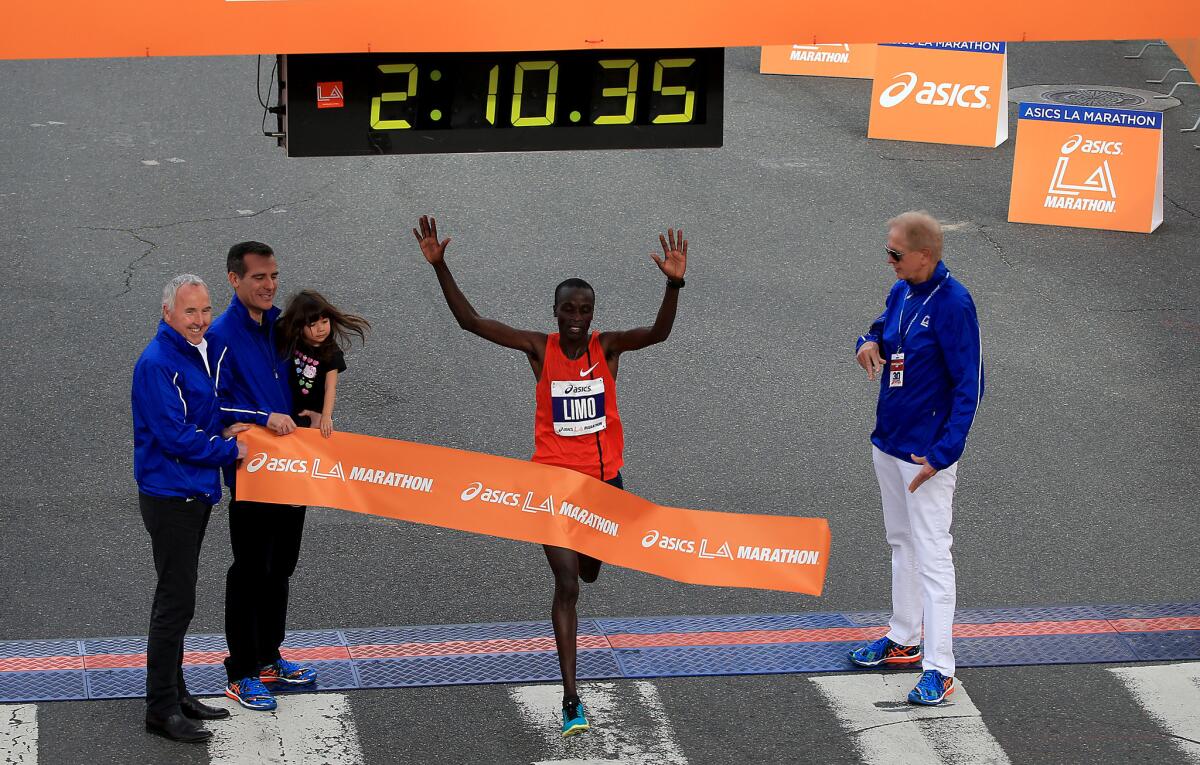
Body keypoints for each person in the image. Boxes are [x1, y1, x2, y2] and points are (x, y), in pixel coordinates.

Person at [413, 215, 688, 736]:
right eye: (568, 309)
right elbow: (472, 322)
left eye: (585, 310)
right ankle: (570, 700)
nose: (576, 319)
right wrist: (440, 265)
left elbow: (660, 332)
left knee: (590, 570)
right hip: (553, 486)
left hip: (605, 487)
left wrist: (673, 284)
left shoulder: (609, 348)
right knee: (568, 585)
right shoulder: (540, 349)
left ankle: (591, 558)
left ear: (593, 314)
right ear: (555, 312)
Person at [847, 211, 984, 706]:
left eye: (896, 253)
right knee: (901, 542)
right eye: (888, 251)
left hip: (925, 455)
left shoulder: (954, 304)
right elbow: (883, 328)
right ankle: (903, 638)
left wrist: (942, 455)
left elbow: (970, 386)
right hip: (889, 441)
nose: (888, 260)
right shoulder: (903, 290)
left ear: (925, 255)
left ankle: (940, 668)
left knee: (932, 556)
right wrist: (867, 342)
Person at [132, 274, 248, 742]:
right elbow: (175, 435)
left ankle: (175, 692)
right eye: (189, 312)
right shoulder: (158, 362)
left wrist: (238, 425)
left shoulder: (191, 351)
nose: (200, 320)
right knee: (175, 602)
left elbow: (206, 413)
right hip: (171, 495)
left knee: (180, 599)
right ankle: (160, 708)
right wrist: (229, 450)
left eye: (204, 310)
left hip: (191, 491)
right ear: (168, 313)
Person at [209, 241, 319, 712]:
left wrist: (312, 407)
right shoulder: (219, 335)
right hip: (253, 474)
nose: (270, 285)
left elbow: (307, 375)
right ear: (235, 279)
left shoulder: (282, 325)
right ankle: (242, 671)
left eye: (274, 276)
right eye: (259, 278)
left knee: (282, 567)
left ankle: (271, 658)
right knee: (251, 570)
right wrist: (259, 414)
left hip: (293, 468)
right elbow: (209, 403)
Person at [275, 290, 370, 437]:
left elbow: (330, 387)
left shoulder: (331, 352)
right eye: (313, 324)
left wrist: (326, 416)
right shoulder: (294, 339)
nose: (321, 329)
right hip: (289, 406)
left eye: (325, 322)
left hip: (314, 412)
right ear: (300, 327)